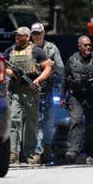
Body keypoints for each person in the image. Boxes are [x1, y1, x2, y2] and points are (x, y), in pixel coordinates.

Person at [5, 27, 54, 165]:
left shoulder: (36, 51)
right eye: (16, 36)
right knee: (13, 120)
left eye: (19, 36)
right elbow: (3, 66)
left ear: (27, 37)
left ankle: (31, 153)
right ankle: (12, 154)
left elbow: (48, 68)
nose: (16, 39)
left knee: (31, 123)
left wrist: (38, 80)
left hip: (31, 90)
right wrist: (12, 73)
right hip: (15, 89)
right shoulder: (10, 51)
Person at [60, 36, 93, 165]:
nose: (88, 47)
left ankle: (90, 152)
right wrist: (62, 97)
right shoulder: (72, 60)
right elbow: (65, 78)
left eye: (90, 45)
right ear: (79, 47)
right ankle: (73, 150)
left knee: (91, 125)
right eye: (85, 45)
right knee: (75, 120)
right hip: (76, 96)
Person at [30, 22, 64, 164]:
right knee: (34, 122)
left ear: (44, 33)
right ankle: (36, 152)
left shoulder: (51, 48)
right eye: (34, 34)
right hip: (30, 90)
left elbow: (61, 69)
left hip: (47, 90)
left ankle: (48, 149)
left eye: (39, 33)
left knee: (49, 122)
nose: (36, 36)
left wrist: (50, 64)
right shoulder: (26, 49)